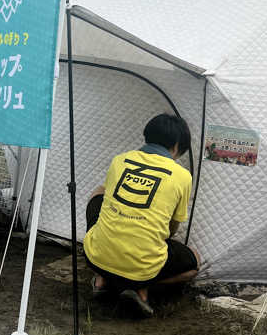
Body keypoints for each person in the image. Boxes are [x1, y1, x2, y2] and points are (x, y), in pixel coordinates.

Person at [83, 113, 200, 316]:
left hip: (95, 257)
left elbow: (107, 200)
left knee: (99, 193)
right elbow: (172, 228)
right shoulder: (181, 176)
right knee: (194, 263)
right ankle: (142, 289)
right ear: (177, 145)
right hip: (143, 268)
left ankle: (102, 280)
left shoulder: (120, 160)